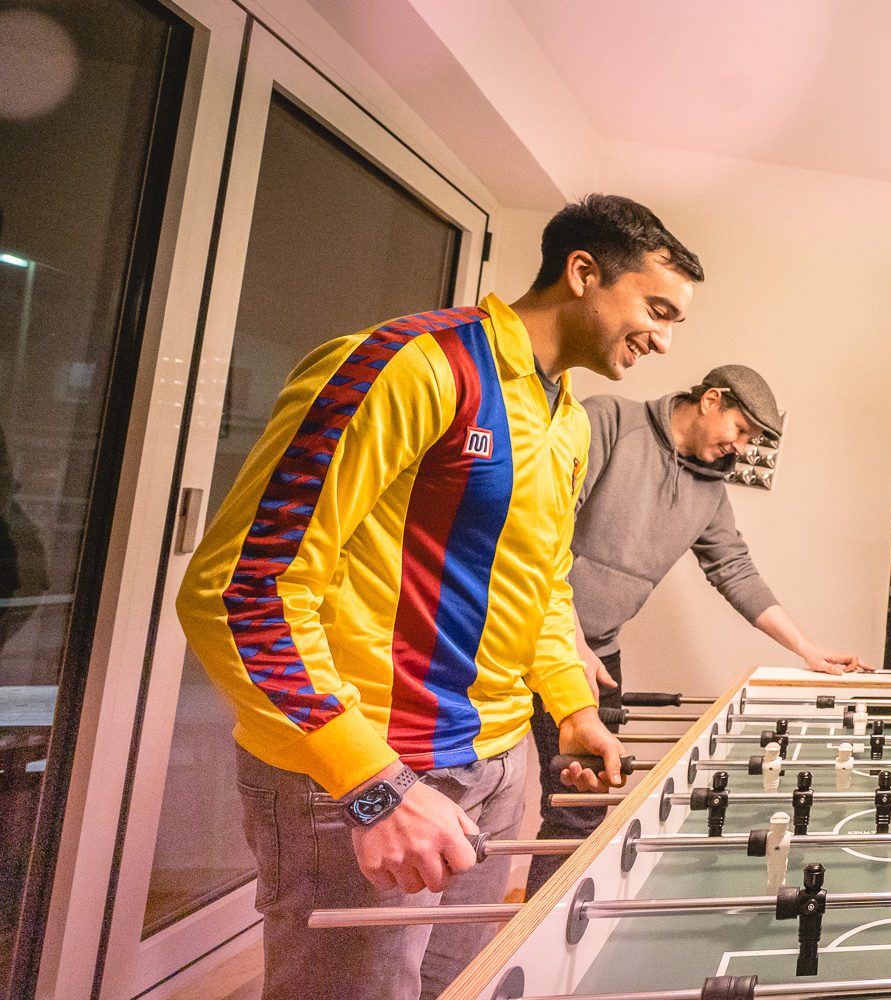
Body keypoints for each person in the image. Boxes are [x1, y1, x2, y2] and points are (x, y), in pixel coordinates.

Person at [177, 194, 700, 999]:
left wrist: (570, 703)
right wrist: (371, 782)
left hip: (497, 767)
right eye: (657, 309)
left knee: (461, 988)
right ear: (584, 272)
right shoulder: (414, 363)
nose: (665, 339)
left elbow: (540, 579)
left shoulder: (567, 421)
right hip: (374, 770)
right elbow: (242, 591)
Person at [524, 364, 872, 892]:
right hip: (533, 636)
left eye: (752, 441)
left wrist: (807, 648)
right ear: (711, 400)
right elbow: (548, 528)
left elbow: (734, 569)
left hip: (600, 652)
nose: (740, 447)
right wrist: (570, 639)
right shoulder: (609, 420)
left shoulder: (710, 492)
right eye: (740, 431)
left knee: (584, 804)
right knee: (510, 799)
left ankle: (549, 933)